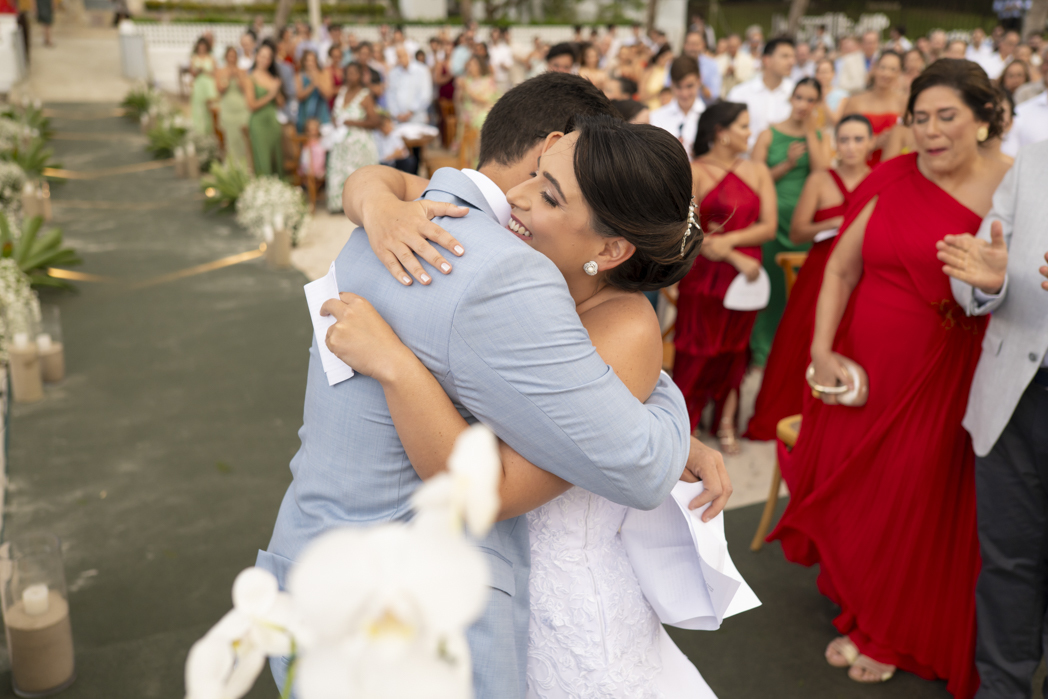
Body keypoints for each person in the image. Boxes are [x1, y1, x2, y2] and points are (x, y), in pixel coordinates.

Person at [257, 71, 731, 699]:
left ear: (612, 248)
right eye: (538, 176)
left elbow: (551, 466)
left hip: (519, 593)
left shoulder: (588, 310)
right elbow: (379, 181)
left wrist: (663, 412)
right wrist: (373, 199)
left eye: (550, 193)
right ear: (547, 143)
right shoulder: (460, 239)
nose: (521, 200)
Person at [769, 59, 1011, 697]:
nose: (930, 130)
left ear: (984, 118)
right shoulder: (890, 175)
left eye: (947, 116)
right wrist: (821, 349)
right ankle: (863, 607)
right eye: (920, 117)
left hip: (945, 373)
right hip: (861, 370)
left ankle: (888, 632)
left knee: (914, 499)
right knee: (861, 494)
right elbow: (839, 270)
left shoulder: (1015, 186)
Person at [937, 138, 1048, 699]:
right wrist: (989, 282)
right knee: (1008, 562)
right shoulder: (1036, 157)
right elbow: (982, 259)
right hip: (1014, 397)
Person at [745, 115, 873, 440]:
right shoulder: (820, 179)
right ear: (835, 144)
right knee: (802, 338)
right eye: (844, 140)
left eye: (858, 139)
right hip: (820, 270)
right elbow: (798, 232)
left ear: (871, 143)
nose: (851, 147)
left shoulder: (879, 180)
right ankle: (788, 414)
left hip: (864, 273)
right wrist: (834, 224)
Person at [675, 102, 776, 453]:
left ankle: (726, 420)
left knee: (736, 349)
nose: (750, 133)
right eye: (743, 126)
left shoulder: (758, 171)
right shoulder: (695, 171)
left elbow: (769, 226)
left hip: (747, 276)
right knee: (697, 348)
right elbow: (686, 230)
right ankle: (685, 422)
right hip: (705, 274)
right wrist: (729, 253)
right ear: (721, 132)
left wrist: (730, 242)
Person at [750, 77, 829, 367]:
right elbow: (753, 181)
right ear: (791, 98)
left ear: (817, 104)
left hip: (803, 224)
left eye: (810, 100)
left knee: (798, 289)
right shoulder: (768, 134)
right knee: (771, 285)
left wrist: (810, 133)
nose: (803, 105)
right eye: (799, 97)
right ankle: (762, 349)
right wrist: (787, 165)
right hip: (772, 219)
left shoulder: (819, 137)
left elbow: (823, 174)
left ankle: (792, 351)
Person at [325, 63, 379, 213]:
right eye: (348, 73)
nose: (351, 76)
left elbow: (375, 121)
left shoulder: (365, 95)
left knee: (358, 177)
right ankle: (340, 205)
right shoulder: (342, 92)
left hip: (359, 146)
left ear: (360, 75)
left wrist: (353, 122)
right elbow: (336, 113)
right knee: (339, 173)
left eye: (354, 73)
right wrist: (335, 120)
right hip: (341, 144)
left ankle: (358, 207)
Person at [727, 37, 796, 150]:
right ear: (766, 60)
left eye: (793, 57)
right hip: (745, 158)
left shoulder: (797, 94)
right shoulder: (740, 93)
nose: (791, 62)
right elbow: (729, 131)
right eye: (785, 56)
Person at [839, 51, 906, 165]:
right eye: (883, 67)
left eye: (893, 69)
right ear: (874, 68)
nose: (886, 73)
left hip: (892, 164)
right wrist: (872, 143)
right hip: (859, 164)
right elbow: (842, 137)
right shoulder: (855, 101)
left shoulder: (904, 101)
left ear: (899, 73)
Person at [242, 39, 284, 176]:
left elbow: (281, 103)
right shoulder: (250, 78)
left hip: (272, 121)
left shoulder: (273, 77)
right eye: (262, 56)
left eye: (268, 58)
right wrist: (270, 95)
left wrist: (276, 91)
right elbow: (251, 105)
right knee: (263, 159)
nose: (264, 60)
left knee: (276, 158)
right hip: (258, 123)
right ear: (256, 56)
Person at [650, 57, 706, 157]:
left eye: (689, 86)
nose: (684, 94)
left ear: (699, 81)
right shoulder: (655, 117)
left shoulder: (710, 118)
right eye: (678, 87)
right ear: (671, 84)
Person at [215, 46, 250, 168]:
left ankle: (245, 165)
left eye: (234, 56)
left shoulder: (242, 71)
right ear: (226, 57)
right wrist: (228, 77)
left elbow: (245, 89)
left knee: (242, 138)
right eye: (230, 56)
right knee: (230, 139)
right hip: (228, 108)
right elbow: (220, 90)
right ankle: (232, 167)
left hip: (241, 108)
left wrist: (238, 76)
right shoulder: (220, 71)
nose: (232, 58)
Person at [387, 46, 433, 125]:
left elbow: (425, 95)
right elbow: (391, 95)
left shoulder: (422, 70)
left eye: (403, 55)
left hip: (417, 118)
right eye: (398, 56)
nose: (401, 59)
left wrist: (411, 112)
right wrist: (397, 113)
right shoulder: (393, 73)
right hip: (399, 119)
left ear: (409, 55)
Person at [296, 50, 333, 133]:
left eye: (312, 60)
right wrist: (312, 85)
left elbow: (328, 95)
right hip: (305, 115)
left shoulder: (324, 74)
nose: (310, 63)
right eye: (307, 61)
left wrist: (318, 82)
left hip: (322, 114)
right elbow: (299, 96)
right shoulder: (299, 76)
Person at [458, 54, 499, 130]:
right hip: (468, 114)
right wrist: (460, 89)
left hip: (482, 112)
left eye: (473, 65)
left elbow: (485, 100)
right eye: (469, 65)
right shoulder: (467, 81)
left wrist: (467, 89)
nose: (471, 67)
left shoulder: (487, 80)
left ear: (479, 66)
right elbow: (460, 100)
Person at [189, 37, 218, 135]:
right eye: (200, 46)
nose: (202, 48)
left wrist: (204, 70)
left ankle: (211, 131)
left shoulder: (211, 58)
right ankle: (199, 131)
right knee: (198, 107)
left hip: (209, 85)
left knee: (210, 108)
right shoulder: (194, 58)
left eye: (203, 46)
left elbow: (215, 73)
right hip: (198, 85)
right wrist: (197, 71)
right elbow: (192, 73)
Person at [814, 58, 848, 128]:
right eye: (819, 72)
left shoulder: (842, 95)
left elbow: (836, 121)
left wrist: (823, 101)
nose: (823, 76)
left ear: (833, 73)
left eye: (825, 72)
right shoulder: (811, 93)